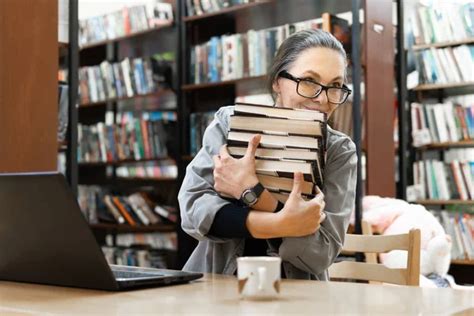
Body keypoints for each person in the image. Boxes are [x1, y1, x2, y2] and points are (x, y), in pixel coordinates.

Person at [178, 29, 357, 280]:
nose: (322, 98)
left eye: (335, 86)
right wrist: (285, 223)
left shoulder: (339, 151)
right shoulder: (231, 123)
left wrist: (252, 192)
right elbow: (193, 210)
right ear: (277, 82)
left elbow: (321, 253)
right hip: (215, 283)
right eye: (308, 81)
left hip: (298, 295)